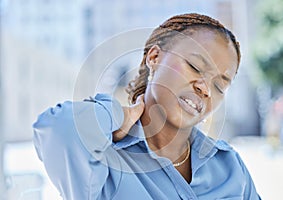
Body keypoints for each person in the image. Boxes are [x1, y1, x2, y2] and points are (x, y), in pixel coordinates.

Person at [33, 13, 261, 199]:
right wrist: (118, 116)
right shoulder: (106, 163)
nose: (206, 89)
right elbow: (56, 128)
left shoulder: (230, 166)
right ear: (154, 58)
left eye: (220, 86)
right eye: (194, 66)